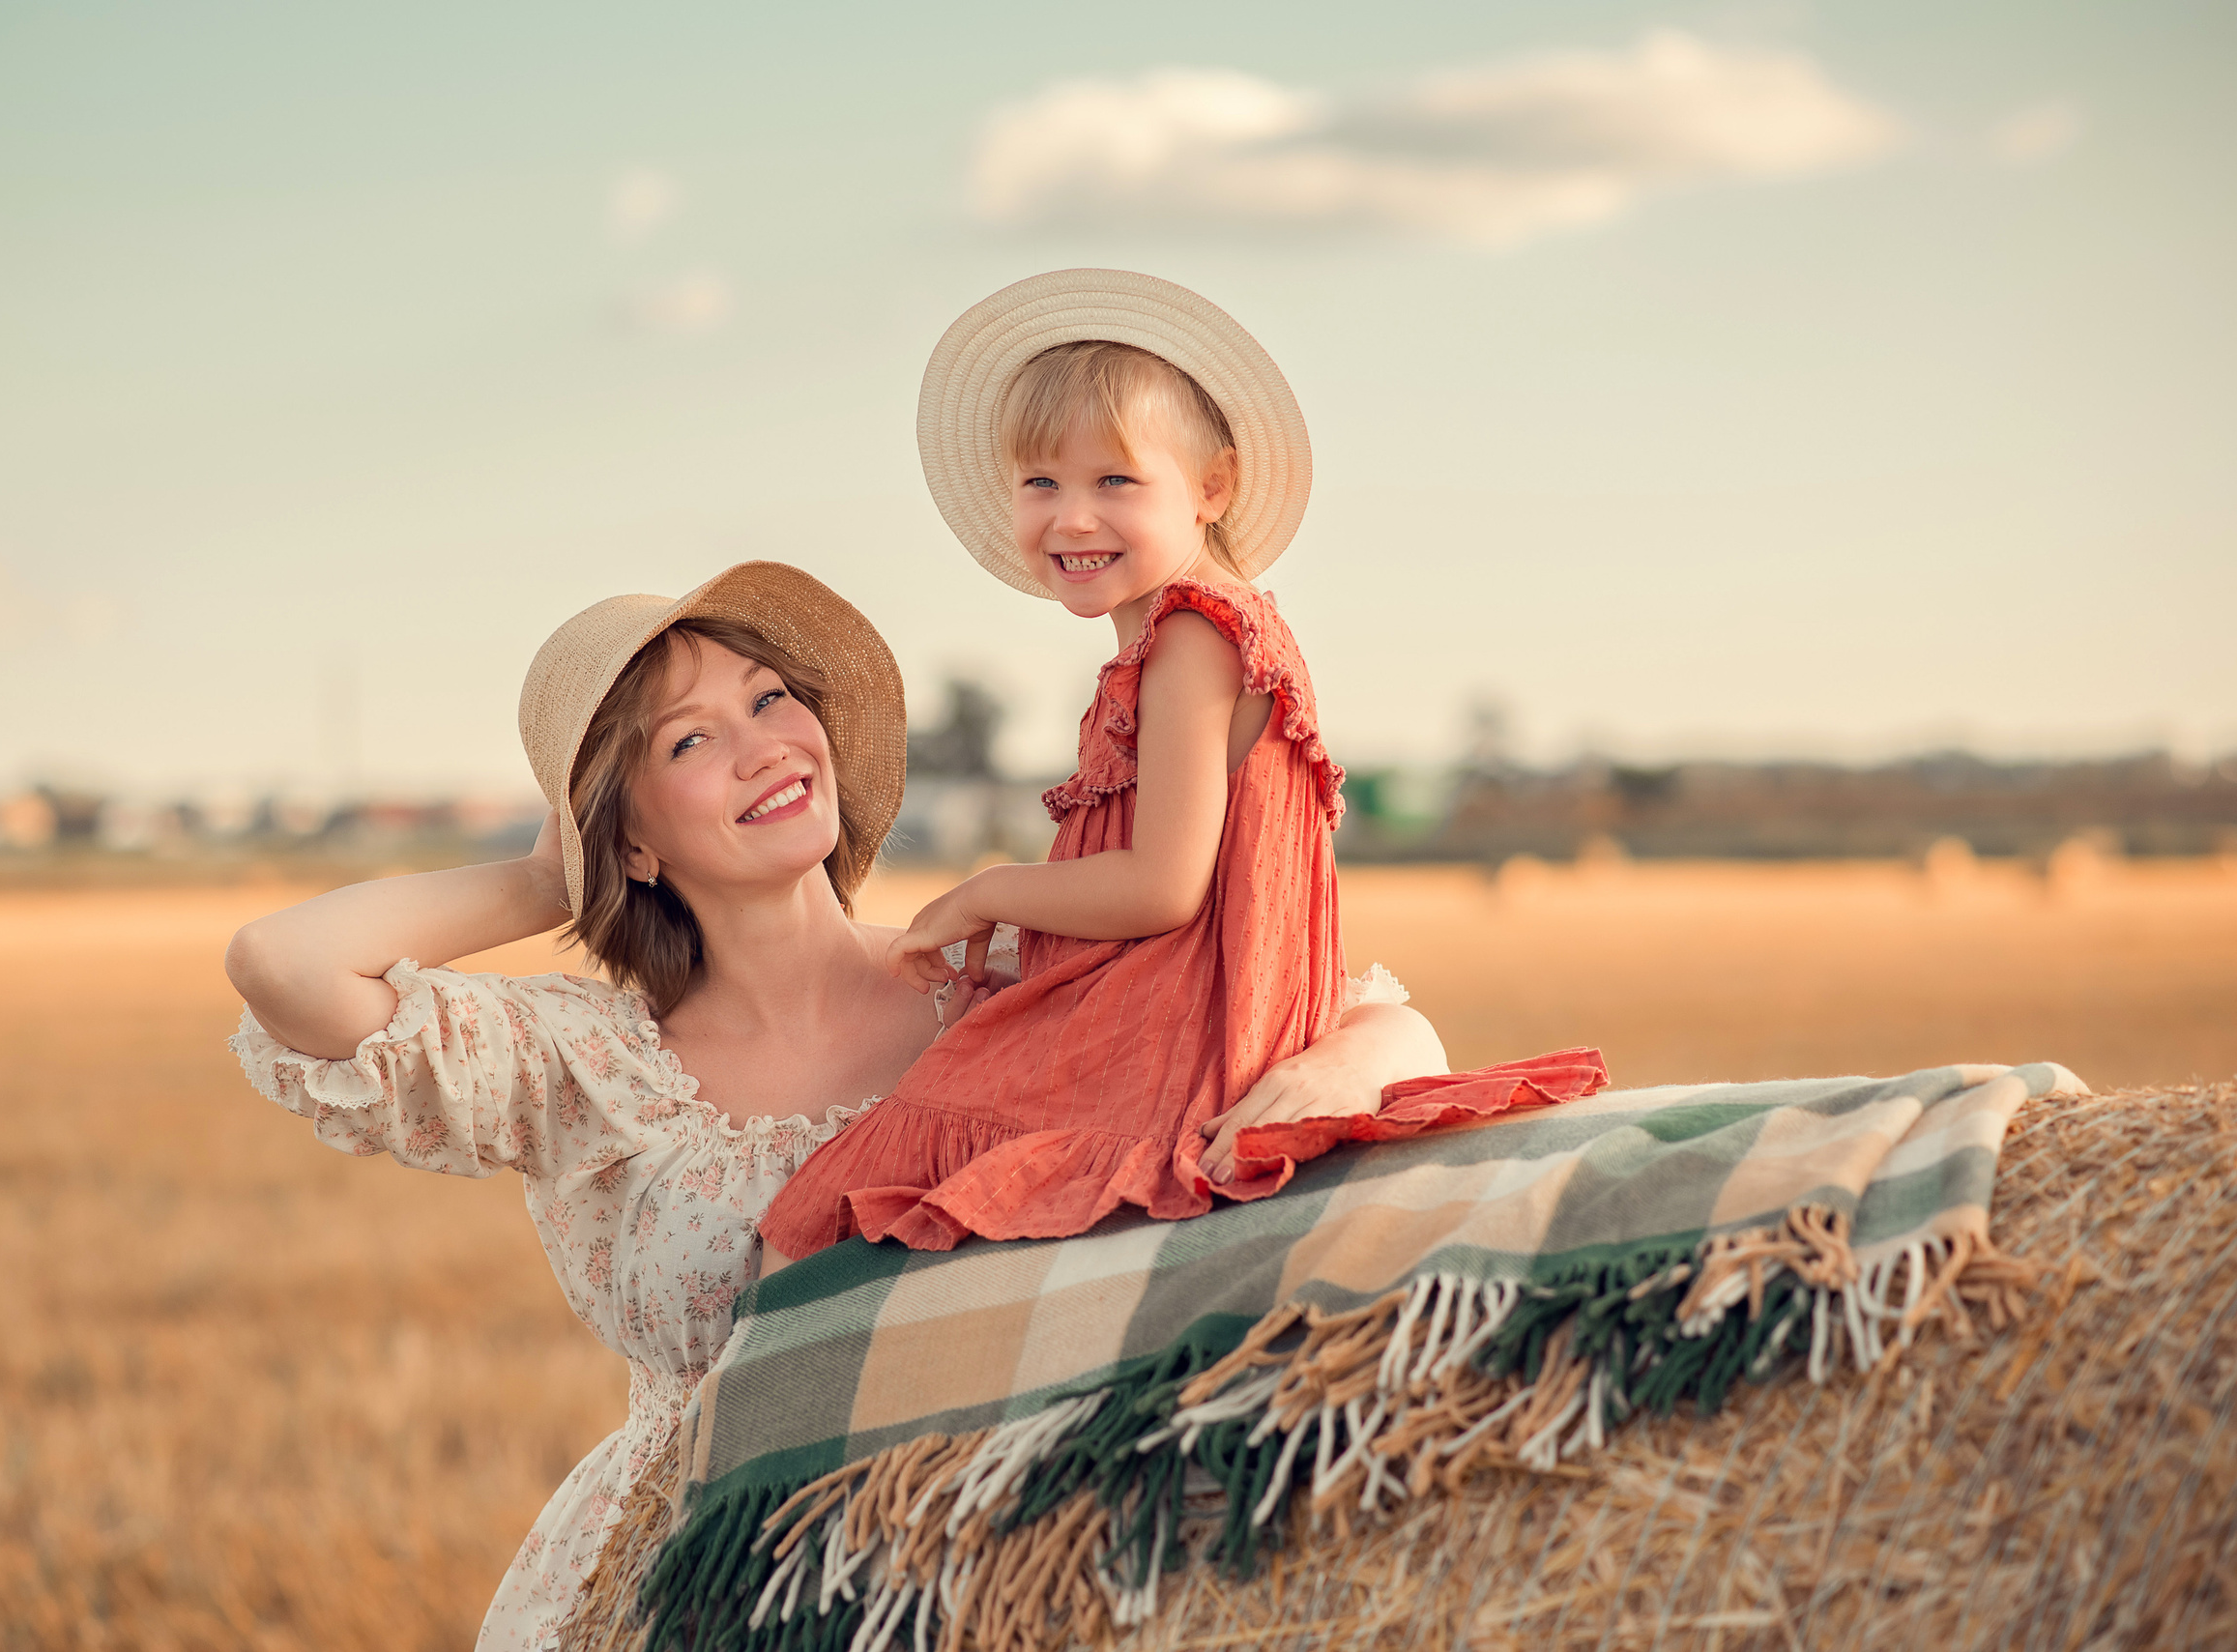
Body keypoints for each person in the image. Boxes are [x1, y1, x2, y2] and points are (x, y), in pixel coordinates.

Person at [222, 561, 1447, 1651]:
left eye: (769, 698)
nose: (762, 746)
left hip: (998, 1558)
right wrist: (545, 875)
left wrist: (1361, 1057)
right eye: (685, 743)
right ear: (631, 836)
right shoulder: (588, 1062)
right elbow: (289, 967)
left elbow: (1355, 1015)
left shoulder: (1006, 981)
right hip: (697, 1578)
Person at [763, 270, 1469, 1263]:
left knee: (864, 1182)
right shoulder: (1173, 641)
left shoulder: (1194, 634)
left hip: (1182, 1031)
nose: (1072, 518)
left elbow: (1162, 885)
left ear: (1211, 487)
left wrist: (989, 892)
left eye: (1115, 482)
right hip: (1173, 995)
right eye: (1040, 483)